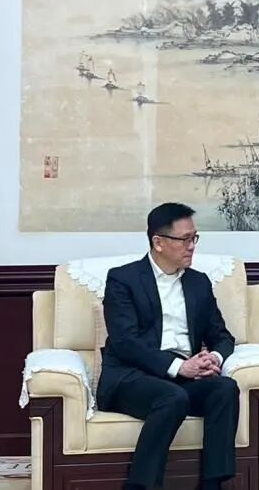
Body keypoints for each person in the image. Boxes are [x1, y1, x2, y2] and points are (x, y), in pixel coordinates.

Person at [96, 203, 238, 490]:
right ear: (158, 242)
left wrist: (213, 358)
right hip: (131, 378)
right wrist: (179, 367)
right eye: (184, 239)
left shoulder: (198, 283)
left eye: (194, 238)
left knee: (225, 389)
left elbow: (222, 336)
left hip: (182, 379)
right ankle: (140, 486)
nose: (191, 246)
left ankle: (212, 485)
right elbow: (125, 343)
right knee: (172, 397)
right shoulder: (123, 279)